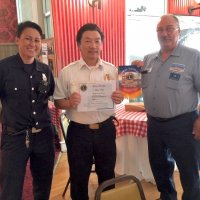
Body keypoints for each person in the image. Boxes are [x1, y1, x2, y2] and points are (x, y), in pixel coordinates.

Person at [133, 14, 200, 200]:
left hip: (184, 124)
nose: (165, 33)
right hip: (154, 124)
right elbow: (138, 84)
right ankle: (167, 196)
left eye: (169, 28)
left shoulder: (193, 56)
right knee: (159, 166)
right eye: (160, 29)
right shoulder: (148, 59)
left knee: (188, 169)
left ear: (178, 31)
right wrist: (130, 72)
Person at [53, 23, 123, 200]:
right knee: (78, 176)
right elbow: (58, 101)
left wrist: (119, 97)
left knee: (108, 175)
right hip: (78, 132)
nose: (93, 45)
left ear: (102, 44)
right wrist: (69, 102)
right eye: (88, 41)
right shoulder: (67, 72)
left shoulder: (112, 70)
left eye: (97, 41)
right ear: (79, 44)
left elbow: (120, 96)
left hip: (106, 129)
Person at [0, 21, 55, 200]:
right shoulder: (4, 68)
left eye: (37, 40)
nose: (32, 44)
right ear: (17, 40)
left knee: (43, 183)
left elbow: (49, 95)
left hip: (44, 136)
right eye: (28, 39)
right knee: (11, 187)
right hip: (15, 137)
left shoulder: (45, 70)